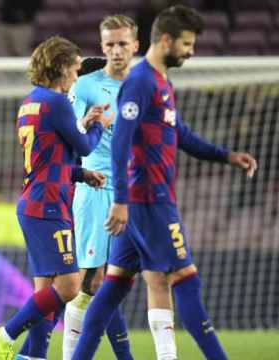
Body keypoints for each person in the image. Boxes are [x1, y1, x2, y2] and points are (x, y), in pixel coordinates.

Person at [71, 6, 258, 360]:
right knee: (185, 278)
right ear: (167, 40)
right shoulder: (140, 82)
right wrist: (122, 201)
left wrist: (225, 155)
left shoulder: (160, 81)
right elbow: (121, 142)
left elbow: (180, 133)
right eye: (187, 44)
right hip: (148, 200)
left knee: (112, 288)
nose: (191, 51)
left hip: (146, 199)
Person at [0, 36, 112, 360]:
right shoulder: (56, 102)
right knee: (69, 286)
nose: (77, 72)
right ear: (61, 66)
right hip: (49, 206)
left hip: (36, 200)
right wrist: (99, 125)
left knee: (46, 293)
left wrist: (82, 175)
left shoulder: (30, 101)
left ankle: (32, 356)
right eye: (75, 67)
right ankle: (4, 335)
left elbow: (52, 162)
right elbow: (83, 148)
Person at [63, 15, 177, 360]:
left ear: (136, 45)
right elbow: (69, 141)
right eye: (109, 44)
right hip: (97, 189)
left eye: (122, 44)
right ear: (102, 47)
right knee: (90, 282)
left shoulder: (153, 83)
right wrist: (89, 123)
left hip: (141, 192)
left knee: (158, 275)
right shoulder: (83, 87)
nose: (115, 50)